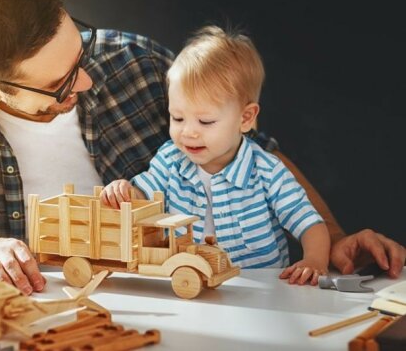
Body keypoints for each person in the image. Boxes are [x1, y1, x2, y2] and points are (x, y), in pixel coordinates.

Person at [0, 0, 404, 295]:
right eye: (61, 84)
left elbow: (258, 154)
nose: (90, 79)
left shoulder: (135, 64)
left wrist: (333, 238)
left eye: (82, 51)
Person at [100, 26, 330, 284]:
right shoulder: (170, 159)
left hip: (260, 290)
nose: (188, 132)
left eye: (205, 121)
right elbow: (143, 194)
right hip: (190, 281)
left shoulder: (267, 170)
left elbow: (310, 224)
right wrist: (124, 192)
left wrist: (314, 260)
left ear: (245, 118)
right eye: (177, 118)